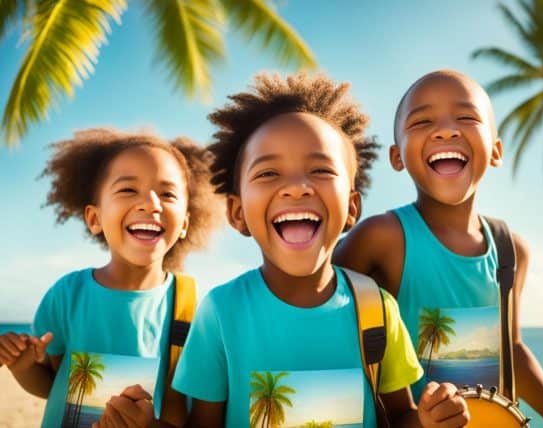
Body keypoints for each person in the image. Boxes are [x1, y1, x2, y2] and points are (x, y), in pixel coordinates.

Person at [172, 72, 470, 428]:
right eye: (268, 174)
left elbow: (400, 416)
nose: (297, 187)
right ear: (238, 213)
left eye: (320, 170)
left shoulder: (376, 310)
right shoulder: (221, 312)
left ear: (352, 207)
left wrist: (427, 421)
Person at [333, 69, 543, 427]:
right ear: (396, 157)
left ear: (496, 151)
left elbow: (512, 352)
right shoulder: (382, 238)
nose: (446, 130)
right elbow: (325, 323)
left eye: (466, 117)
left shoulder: (510, 250)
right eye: (422, 121)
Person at [0, 128, 223, 427]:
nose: (151, 204)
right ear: (94, 218)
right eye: (129, 190)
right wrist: (23, 367)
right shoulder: (68, 293)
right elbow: (52, 386)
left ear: (184, 223)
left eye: (167, 194)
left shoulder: (194, 309)